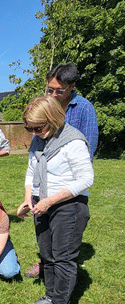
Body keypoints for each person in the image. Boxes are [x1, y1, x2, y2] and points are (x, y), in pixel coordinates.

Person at [17, 96, 94, 304]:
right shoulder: (39, 140)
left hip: (68, 206)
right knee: (46, 253)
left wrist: (50, 201)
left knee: (63, 257)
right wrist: (27, 197)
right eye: (29, 128)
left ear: (52, 119)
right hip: (42, 203)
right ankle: (50, 296)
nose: (33, 131)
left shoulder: (73, 142)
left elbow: (87, 178)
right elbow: (31, 171)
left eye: (37, 127)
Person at [26, 63, 99, 278]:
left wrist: (68, 185)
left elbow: (87, 150)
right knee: (45, 237)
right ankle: (46, 265)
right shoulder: (44, 107)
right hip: (45, 185)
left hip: (68, 184)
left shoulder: (84, 108)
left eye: (59, 91)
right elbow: (37, 148)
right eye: (50, 90)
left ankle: (61, 278)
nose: (54, 94)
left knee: (64, 243)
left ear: (72, 87)